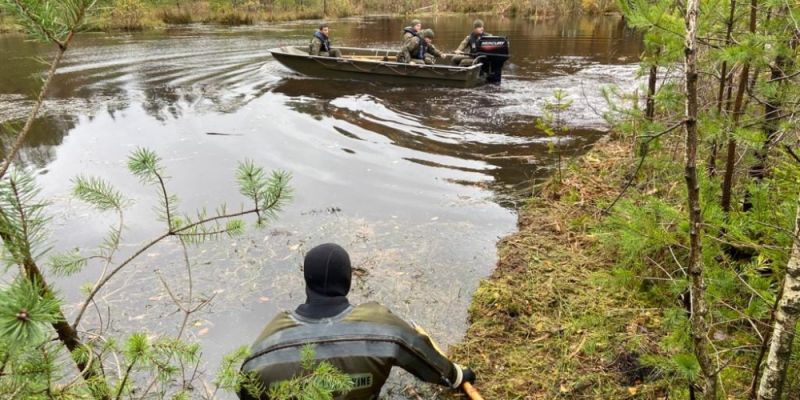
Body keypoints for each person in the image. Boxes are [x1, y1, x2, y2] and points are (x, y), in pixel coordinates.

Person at [240, 243, 476, 400]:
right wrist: (458, 376)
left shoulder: (265, 349)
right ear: (347, 281)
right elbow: (427, 362)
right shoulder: (381, 329)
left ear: (307, 282)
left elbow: (245, 389)